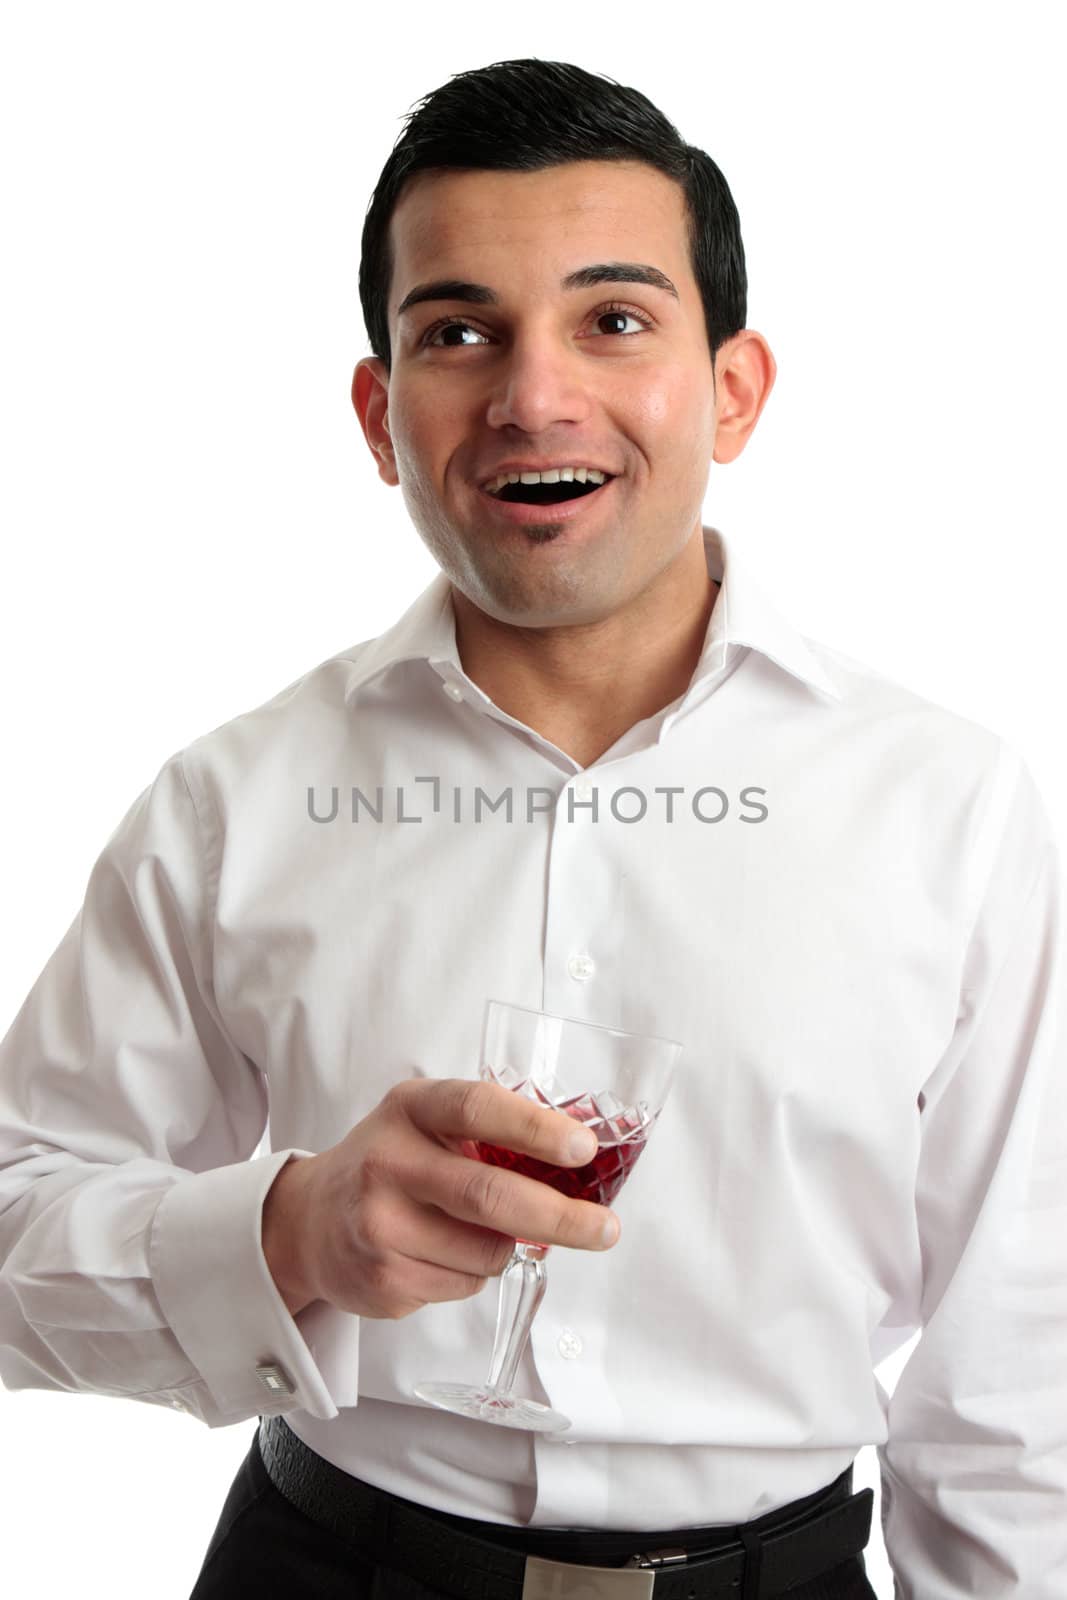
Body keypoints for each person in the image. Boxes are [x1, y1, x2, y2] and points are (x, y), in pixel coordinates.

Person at [0, 55, 1063, 1600]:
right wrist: (287, 1236)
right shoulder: (229, 802)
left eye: (613, 319)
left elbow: (1021, 1374)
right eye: (458, 333)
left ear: (734, 389)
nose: (532, 395)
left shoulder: (949, 808)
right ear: (380, 413)